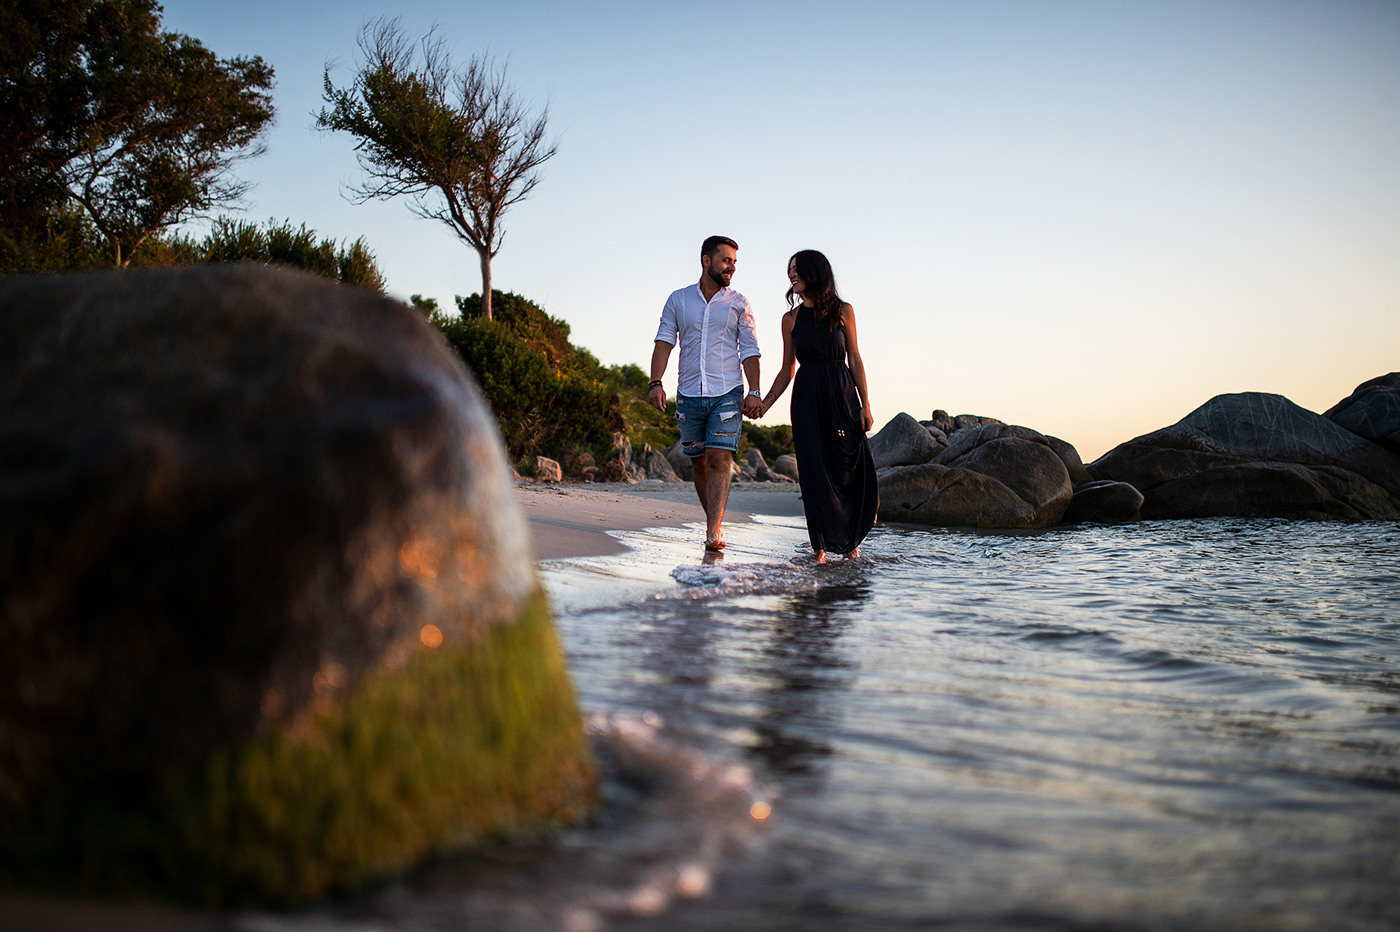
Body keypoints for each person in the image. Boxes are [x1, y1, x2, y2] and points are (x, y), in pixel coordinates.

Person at [759, 250, 877, 561]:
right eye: (789, 270)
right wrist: (766, 403)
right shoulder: (791, 319)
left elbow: (855, 358)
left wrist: (865, 404)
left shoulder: (843, 311)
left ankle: (850, 543)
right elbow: (787, 370)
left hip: (842, 395)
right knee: (813, 473)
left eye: (796, 269)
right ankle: (820, 548)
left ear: (815, 272)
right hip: (807, 399)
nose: (790, 276)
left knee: (845, 468)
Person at [649, 235, 764, 551]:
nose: (732, 268)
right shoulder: (678, 300)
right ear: (706, 260)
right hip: (688, 394)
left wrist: (754, 391)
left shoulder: (739, 303)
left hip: (727, 392)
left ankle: (713, 530)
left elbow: (750, 350)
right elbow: (664, 341)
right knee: (698, 462)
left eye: (734, 262)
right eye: (727, 260)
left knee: (719, 456)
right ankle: (713, 520)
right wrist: (655, 382)